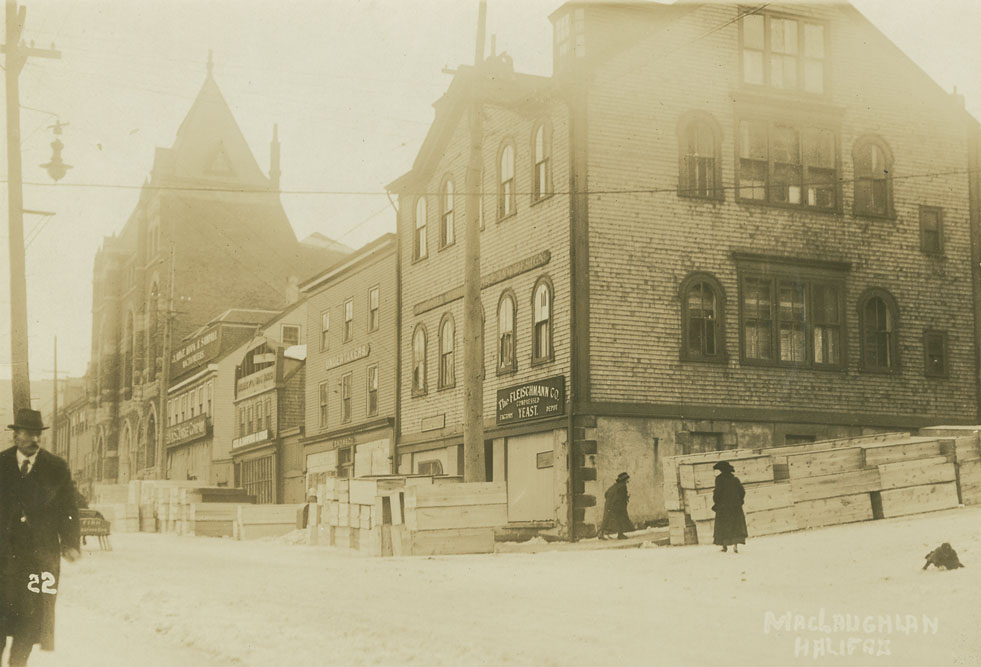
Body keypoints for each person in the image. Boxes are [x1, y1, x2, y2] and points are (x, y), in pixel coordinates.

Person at [1, 408, 80, 666]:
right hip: (3, 560)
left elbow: (69, 508)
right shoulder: (1, 464)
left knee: (30, 620)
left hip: (39, 560)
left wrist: (70, 543)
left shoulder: (55, 467)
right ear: (16, 436)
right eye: (29, 434)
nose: (35, 439)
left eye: (38, 434)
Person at [712, 460, 747, 553]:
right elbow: (742, 492)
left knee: (723, 526)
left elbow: (717, 494)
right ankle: (735, 546)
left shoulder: (719, 479)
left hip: (723, 508)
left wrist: (717, 502)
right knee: (735, 526)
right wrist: (739, 502)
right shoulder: (735, 479)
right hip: (735, 507)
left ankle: (724, 546)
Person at [598, 472, 632, 540]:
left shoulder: (614, 486)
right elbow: (621, 497)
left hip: (609, 504)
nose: (628, 481)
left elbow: (606, 494)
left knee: (607, 519)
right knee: (620, 519)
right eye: (627, 479)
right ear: (624, 480)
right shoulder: (623, 486)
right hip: (617, 506)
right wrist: (626, 498)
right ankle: (620, 535)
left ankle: (601, 533)